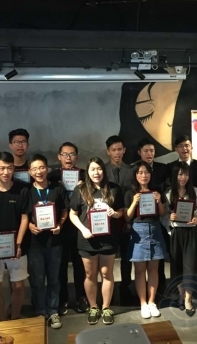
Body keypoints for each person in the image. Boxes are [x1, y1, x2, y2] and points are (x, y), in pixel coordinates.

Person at [69, 157, 124, 325]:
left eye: (99, 169)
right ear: (88, 172)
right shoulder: (80, 190)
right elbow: (73, 214)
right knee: (90, 274)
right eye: (93, 169)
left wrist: (114, 214)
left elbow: (121, 211)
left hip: (108, 239)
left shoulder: (113, 189)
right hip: (87, 240)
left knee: (107, 274)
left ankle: (106, 307)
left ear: (104, 171)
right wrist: (83, 229)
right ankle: (93, 307)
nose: (96, 172)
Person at [0, 152, 30, 322]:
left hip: (17, 246)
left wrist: (18, 244)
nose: (6, 172)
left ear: (14, 169)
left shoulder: (22, 190)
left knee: (19, 286)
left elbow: (25, 218)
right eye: (2, 168)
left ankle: (15, 318)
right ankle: (2, 322)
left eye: (9, 168)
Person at [27, 154, 68, 329]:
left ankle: (52, 311)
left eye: (42, 167)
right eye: (35, 169)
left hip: (55, 242)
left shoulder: (57, 188)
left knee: (54, 279)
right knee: (37, 279)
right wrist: (30, 226)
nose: (39, 171)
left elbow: (65, 210)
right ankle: (40, 311)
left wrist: (60, 224)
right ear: (30, 172)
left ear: (47, 169)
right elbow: (23, 216)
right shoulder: (27, 191)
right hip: (34, 243)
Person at [48, 142, 88, 315]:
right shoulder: (52, 177)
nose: (68, 158)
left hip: (80, 226)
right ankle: (62, 299)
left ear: (76, 156)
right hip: (60, 226)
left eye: (72, 154)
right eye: (65, 154)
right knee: (61, 265)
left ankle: (81, 297)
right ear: (59, 157)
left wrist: (82, 188)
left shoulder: (84, 175)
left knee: (80, 265)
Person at [125, 161, 168, 319]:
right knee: (140, 271)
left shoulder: (157, 190)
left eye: (147, 172)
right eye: (140, 172)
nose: (144, 175)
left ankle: (152, 302)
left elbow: (162, 213)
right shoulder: (130, 192)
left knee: (153, 270)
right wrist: (134, 202)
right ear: (135, 175)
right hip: (138, 231)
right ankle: (143, 303)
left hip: (155, 229)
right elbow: (127, 217)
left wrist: (159, 201)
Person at [165, 162, 197, 317]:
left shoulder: (195, 191)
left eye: (186, 174)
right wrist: (170, 217)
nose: (183, 177)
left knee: (190, 266)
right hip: (176, 233)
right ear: (175, 175)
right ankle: (181, 293)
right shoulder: (169, 193)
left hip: (191, 232)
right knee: (177, 265)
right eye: (180, 174)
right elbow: (163, 215)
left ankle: (188, 299)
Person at [135, 138, 169, 293]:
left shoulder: (163, 168)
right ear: (139, 152)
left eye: (152, 151)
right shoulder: (134, 170)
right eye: (146, 151)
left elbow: (167, 188)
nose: (149, 154)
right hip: (139, 221)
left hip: (158, 220)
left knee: (157, 257)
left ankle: (159, 287)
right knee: (139, 261)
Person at [104, 135, 134, 305]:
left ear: (124, 150)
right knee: (107, 258)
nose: (117, 153)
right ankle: (106, 290)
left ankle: (125, 288)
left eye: (120, 149)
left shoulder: (131, 170)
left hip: (126, 220)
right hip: (107, 220)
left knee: (126, 257)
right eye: (113, 150)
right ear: (108, 151)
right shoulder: (102, 171)